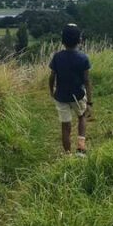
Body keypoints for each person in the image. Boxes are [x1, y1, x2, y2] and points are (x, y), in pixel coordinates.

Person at [49, 23, 93, 156]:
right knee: (81, 116)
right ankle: (81, 147)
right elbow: (86, 81)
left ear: (62, 41)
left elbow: (52, 77)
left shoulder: (57, 57)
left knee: (65, 125)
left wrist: (52, 91)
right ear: (80, 40)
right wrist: (90, 101)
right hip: (78, 95)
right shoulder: (83, 58)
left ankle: (67, 154)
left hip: (61, 96)